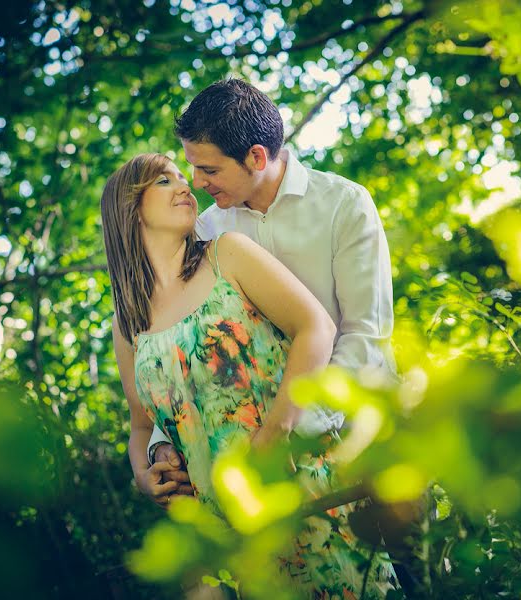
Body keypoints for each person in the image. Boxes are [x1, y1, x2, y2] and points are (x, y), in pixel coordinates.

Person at [103, 153, 395, 596]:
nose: (187, 187)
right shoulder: (126, 324)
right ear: (129, 207)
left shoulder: (227, 255)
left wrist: (275, 433)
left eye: (186, 177)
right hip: (224, 531)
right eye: (166, 180)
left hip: (299, 484)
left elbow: (316, 328)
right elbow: (142, 427)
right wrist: (145, 473)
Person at [141, 77, 396, 498]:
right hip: (259, 467)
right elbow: (182, 342)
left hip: (363, 445)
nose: (197, 183)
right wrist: (163, 444)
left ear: (256, 157)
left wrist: (290, 429)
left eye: (209, 169)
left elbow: (364, 336)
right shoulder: (206, 231)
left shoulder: (343, 205)